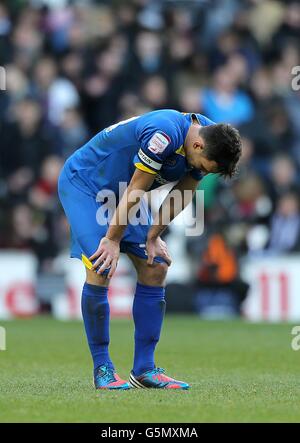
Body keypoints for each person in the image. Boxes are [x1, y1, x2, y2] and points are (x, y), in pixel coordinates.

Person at [58, 109, 242, 390]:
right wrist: (112, 239)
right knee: (102, 264)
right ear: (197, 146)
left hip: (123, 192)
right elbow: (135, 190)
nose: (203, 171)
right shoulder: (164, 133)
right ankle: (103, 369)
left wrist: (154, 236)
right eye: (205, 167)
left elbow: (182, 193)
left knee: (156, 267)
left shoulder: (208, 137)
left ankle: (144, 369)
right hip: (87, 184)